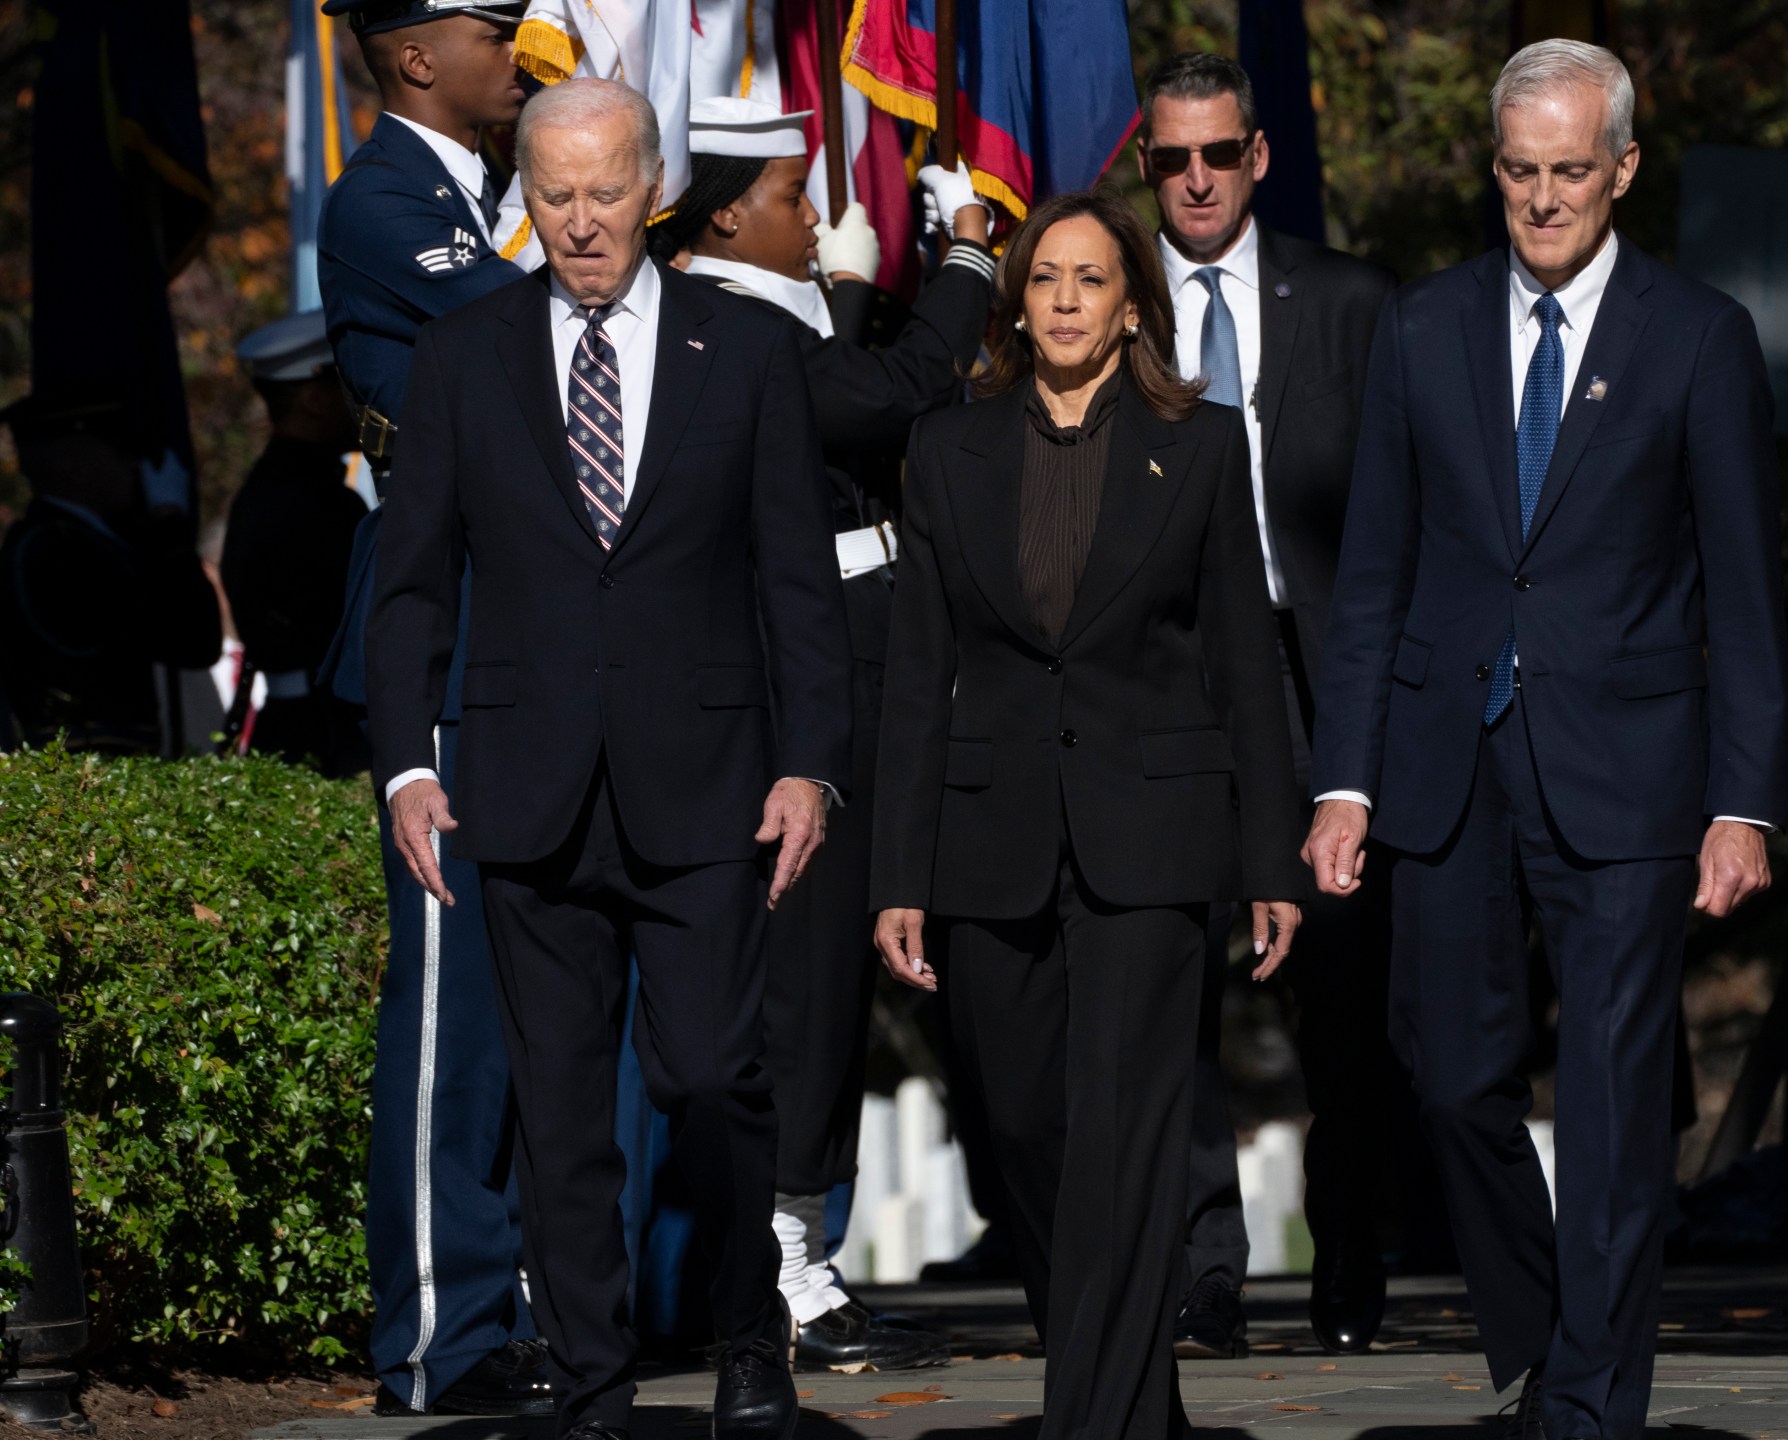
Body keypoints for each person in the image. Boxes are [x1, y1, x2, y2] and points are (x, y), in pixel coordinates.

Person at [1306, 38, 1788, 1440]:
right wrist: (1345, 779)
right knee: (1446, 1074)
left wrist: (1745, 800)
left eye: (1570, 171)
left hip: (1632, 774)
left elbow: (1748, 596)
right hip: (1447, 761)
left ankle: (1589, 1407)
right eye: (1519, 171)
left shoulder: (1697, 336)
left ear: (1623, 168)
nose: (1542, 198)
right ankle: (1546, 1338)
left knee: (1616, 1099)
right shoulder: (1423, 327)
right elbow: (1374, 575)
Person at [368, 78, 853, 1440]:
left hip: (705, 783)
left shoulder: (742, 352)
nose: (580, 223)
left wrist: (811, 762)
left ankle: (749, 1328)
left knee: (707, 1072)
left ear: (651, 189)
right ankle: (591, 1380)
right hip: (522, 792)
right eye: (553, 196)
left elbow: (795, 581)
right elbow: (411, 585)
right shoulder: (463, 359)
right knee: (561, 1109)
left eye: (603, 192)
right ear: (526, 199)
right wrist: (408, 765)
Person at [870, 187, 1306, 1440]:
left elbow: (1242, 662)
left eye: (1091, 281)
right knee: (1026, 1128)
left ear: (1130, 310)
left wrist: (1269, 856)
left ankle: (1091, 1422)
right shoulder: (950, 450)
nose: (1064, 300)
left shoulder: (1205, 444)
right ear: (1017, 299)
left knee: (1125, 1132)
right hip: (988, 840)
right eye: (1045, 278)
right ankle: (1134, 1401)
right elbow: (914, 676)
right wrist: (898, 874)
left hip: (1153, 842)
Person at [647, 92, 998, 1372]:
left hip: (857, 646)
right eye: (797, 198)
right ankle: (786, 1261)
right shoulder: (717, 318)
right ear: (727, 211)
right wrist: (965, 248)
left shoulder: (766, 310)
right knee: (802, 981)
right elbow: (885, 397)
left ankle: (800, 1245)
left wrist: (849, 288)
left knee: (834, 978)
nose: (817, 218)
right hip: (804, 669)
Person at [1136, 51, 1408, 1358]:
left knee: (1345, 996)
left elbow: (1410, 514)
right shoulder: (1112, 304)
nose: (1194, 180)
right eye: (1169, 160)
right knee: (1170, 984)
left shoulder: (1353, 305)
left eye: (1215, 155)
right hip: (1167, 687)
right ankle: (1205, 1273)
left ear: (1257, 156)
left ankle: (1351, 1261)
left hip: (1320, 689)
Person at [315, 0, 556, 1418]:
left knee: (536, 1015)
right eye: (491, 27)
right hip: (448, 644)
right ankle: (435, 1338)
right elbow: (527, 329)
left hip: (529, 636)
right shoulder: (385, 199)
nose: (513, 52)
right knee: (452, 1028)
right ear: (413, 54)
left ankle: (511, 1309)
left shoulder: (480, 194)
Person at [0, 388, 223, 755]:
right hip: (87, 773)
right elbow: (193, 639)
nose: (134, 465)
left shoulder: (76, 542)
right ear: (72, 463)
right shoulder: (59, 554)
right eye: (119, 450)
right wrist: (168, 526)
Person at [223, 311, 367, 772]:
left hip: (302, 721)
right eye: (343, 383)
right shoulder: (311, 503)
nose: (359, 396)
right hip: (323, 732)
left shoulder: (282, 488)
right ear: (312, 399)